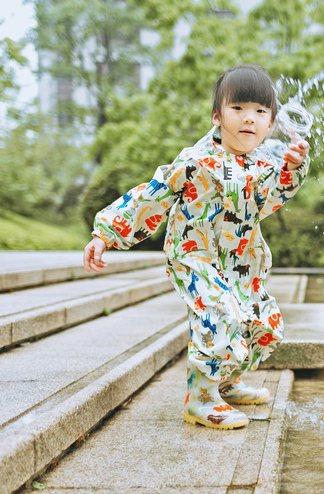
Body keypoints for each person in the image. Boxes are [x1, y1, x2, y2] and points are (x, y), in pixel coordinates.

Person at [83, 64, 310, 430]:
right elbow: (151, 194)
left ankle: (226, 381)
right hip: (196, 254)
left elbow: (273, 198)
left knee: (262, 322)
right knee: (219, 315)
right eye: (238, 109)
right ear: (218, 116)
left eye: (260, 111)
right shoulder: (195, 161)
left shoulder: (263, 164)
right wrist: (106, 232)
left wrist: (293, 168)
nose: (248, 119)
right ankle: (201, 399)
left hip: (240, 259)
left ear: (271, 124)